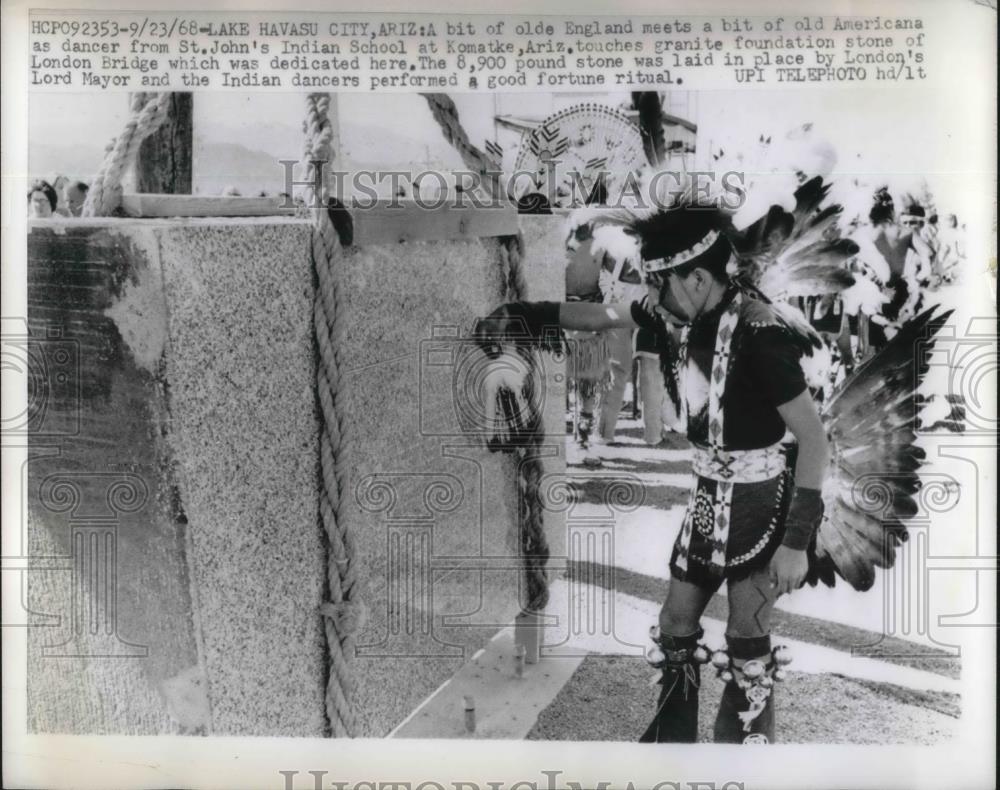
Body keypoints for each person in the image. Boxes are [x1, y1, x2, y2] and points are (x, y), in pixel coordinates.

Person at [475, 201, 829, 744]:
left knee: (746, 633)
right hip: (707, 503)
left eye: (661, 283)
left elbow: (813, 438)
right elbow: (605, 315)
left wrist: (796, 541)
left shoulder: (761, 334)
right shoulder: (676, 312)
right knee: (674, 626)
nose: (653, 295)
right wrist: (530, 314)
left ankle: (746, 756)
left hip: (763, 509)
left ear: (697, 277)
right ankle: (673, 742)